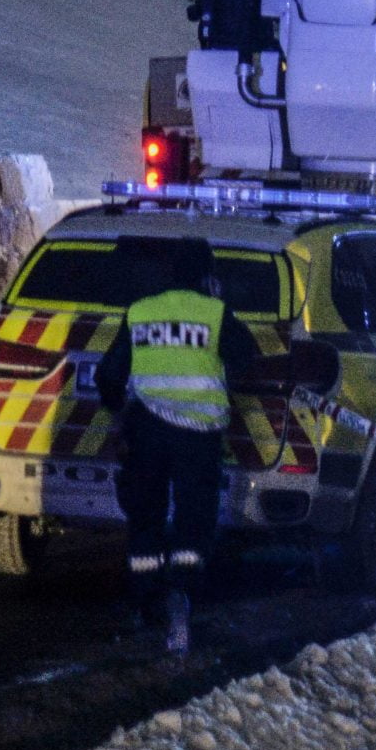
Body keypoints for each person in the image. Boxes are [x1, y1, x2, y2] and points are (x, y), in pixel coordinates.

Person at [97, 236, 259, 654]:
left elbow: (109, 376)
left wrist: (119, 416)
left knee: (145, 515)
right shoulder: (214, 313)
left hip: (146, 429)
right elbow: (247, 357)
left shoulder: (140, 312)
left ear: (170, 272)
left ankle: (144, 599)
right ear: (208, 276)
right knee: (194, 517)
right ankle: (182, 596)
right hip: (198, 435)